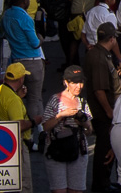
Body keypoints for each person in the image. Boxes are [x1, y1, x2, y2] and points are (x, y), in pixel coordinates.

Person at [41, 65, 93, 193]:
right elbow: (45, 126)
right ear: (66, 82)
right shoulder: (55, 100)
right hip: (56, 149)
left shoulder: (83, 102)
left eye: (81, 82)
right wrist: (61, 115)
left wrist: (84, 123)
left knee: (76, 190)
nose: (78, 86)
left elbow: (90, 131)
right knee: (59, 190)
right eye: (74, 82)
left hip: (78, 149)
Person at [84, 22, 120, 193]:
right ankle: (101, 185)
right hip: (103, 113)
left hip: (104, 110)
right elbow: (99, 90)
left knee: (105, 147)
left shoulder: (100, 53)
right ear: (112, 39)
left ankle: (103, 181)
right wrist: (109, 112)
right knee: (105, 149)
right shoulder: (99, 58)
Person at [1, 0, 46, 126]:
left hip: (16, 62)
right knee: (35, 98)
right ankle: (38, 131)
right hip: (32, 62)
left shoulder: (6, 15)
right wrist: (41, 39)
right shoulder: (25, 18)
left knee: (18, 97)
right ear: (24, 1)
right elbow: (34, 43)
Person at [0, 63, 37, 193]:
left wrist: (18, 96)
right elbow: (18, 125)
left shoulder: (0, 90)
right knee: (23, 185)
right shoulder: (13, 100)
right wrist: (34, 122)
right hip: (17, 145)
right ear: (21, 79)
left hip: (1, 142)